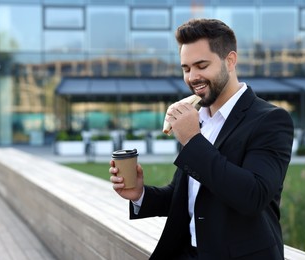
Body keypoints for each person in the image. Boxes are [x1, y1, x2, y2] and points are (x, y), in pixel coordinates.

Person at [109, 18, 294, 260]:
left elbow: (253, 196)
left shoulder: (270, 120)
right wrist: (140, 194)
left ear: (230, 61)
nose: (192, 77)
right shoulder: (198, 118)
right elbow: (186, 196)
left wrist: (193, 140)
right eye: (186, 69)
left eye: (201, 65)